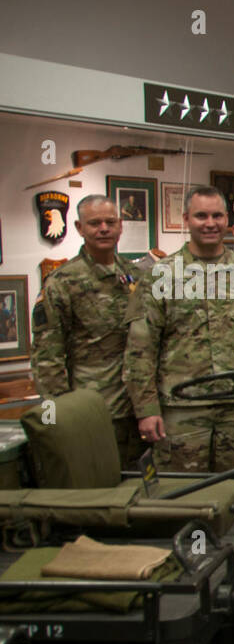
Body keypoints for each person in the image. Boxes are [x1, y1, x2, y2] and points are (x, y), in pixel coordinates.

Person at [125, 187, 234, 473]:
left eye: (216, 216)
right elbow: (141, 349)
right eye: (201, 216)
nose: (210, 223)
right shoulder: (162, 275)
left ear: (227, 221)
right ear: (186, 218)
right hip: (182, 408)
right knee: (181, 496)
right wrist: (146, 410)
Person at [31, 195, 144, 469]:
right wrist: (61, 415)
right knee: (100, 491)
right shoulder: (62, 282)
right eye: (95, 223)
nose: (103, 228)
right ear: (80, 228)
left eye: (110, 222)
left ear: (120, 226)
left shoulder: (135, 275)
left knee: (143, 487)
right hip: (93, 409)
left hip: (137, 405)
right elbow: (47, 358)